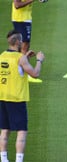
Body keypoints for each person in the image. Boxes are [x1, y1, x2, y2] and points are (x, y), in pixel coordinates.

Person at [0, 30, 45, 162]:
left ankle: (4, 159)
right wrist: (39, 60)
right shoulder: (21, 58)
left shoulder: (2, 56)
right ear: (18, 42)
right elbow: (35, 74)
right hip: (17, 99)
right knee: (21, 131)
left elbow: (15, 69)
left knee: (5, 130)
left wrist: (26, 57)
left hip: (3, 97)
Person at [12, 0, 46, 83]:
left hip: (25, 19)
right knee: (23, 46)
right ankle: (23, 73)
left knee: (26, 46)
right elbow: (17, 5)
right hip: (20, 19)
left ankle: (23, 72)